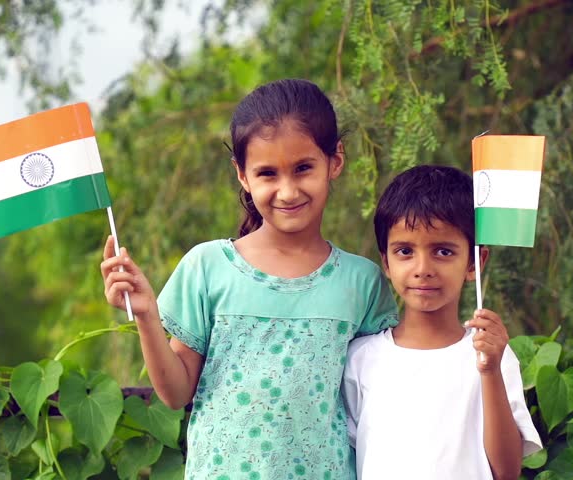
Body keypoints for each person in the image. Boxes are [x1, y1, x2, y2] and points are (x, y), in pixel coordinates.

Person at [101, 78, 398, 478]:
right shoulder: (207, 267)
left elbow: (379, 405)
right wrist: (147, 317)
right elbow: (174, 394)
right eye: (268, 174)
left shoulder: (363, 283)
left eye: (303, 168)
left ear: (335, 161)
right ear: (242, 175)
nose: (288, 191)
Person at [342, 165, 542, 480]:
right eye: (405, 251)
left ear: (475, 262)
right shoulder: (361, 359)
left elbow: (506, 472)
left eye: (443, 251)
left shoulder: (491, 357)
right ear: (386, 261)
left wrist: (489, 371)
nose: (423, 268)